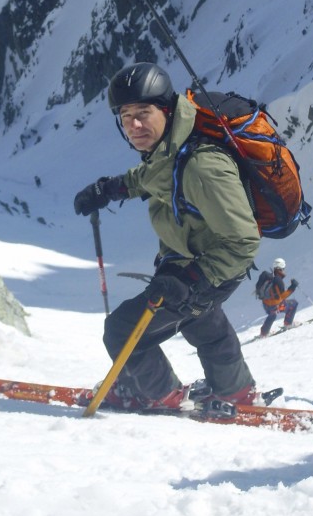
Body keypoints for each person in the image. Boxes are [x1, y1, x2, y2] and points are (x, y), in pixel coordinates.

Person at [73, 62, 263, 411]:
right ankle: (235, 391)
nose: (134, 125)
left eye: (143, 113)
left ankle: (157, 394)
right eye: (126, 116)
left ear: (166, 110)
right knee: (202, 322)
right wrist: (110, 188)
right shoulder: (171, 148)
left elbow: (243, 241)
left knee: (122, 330)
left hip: (210, 267)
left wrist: (192, 279)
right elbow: (153, 176)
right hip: (191, 261)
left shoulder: (202, 166)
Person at [259, 258, 299, 337]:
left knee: (272, 315)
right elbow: (282, 296)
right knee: (293, 304)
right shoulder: (278, 280)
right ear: (282, 267)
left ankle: (264, 333)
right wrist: (292, 287)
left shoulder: (269, 277)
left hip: (266, 305)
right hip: (275, 306)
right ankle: (288, 324)